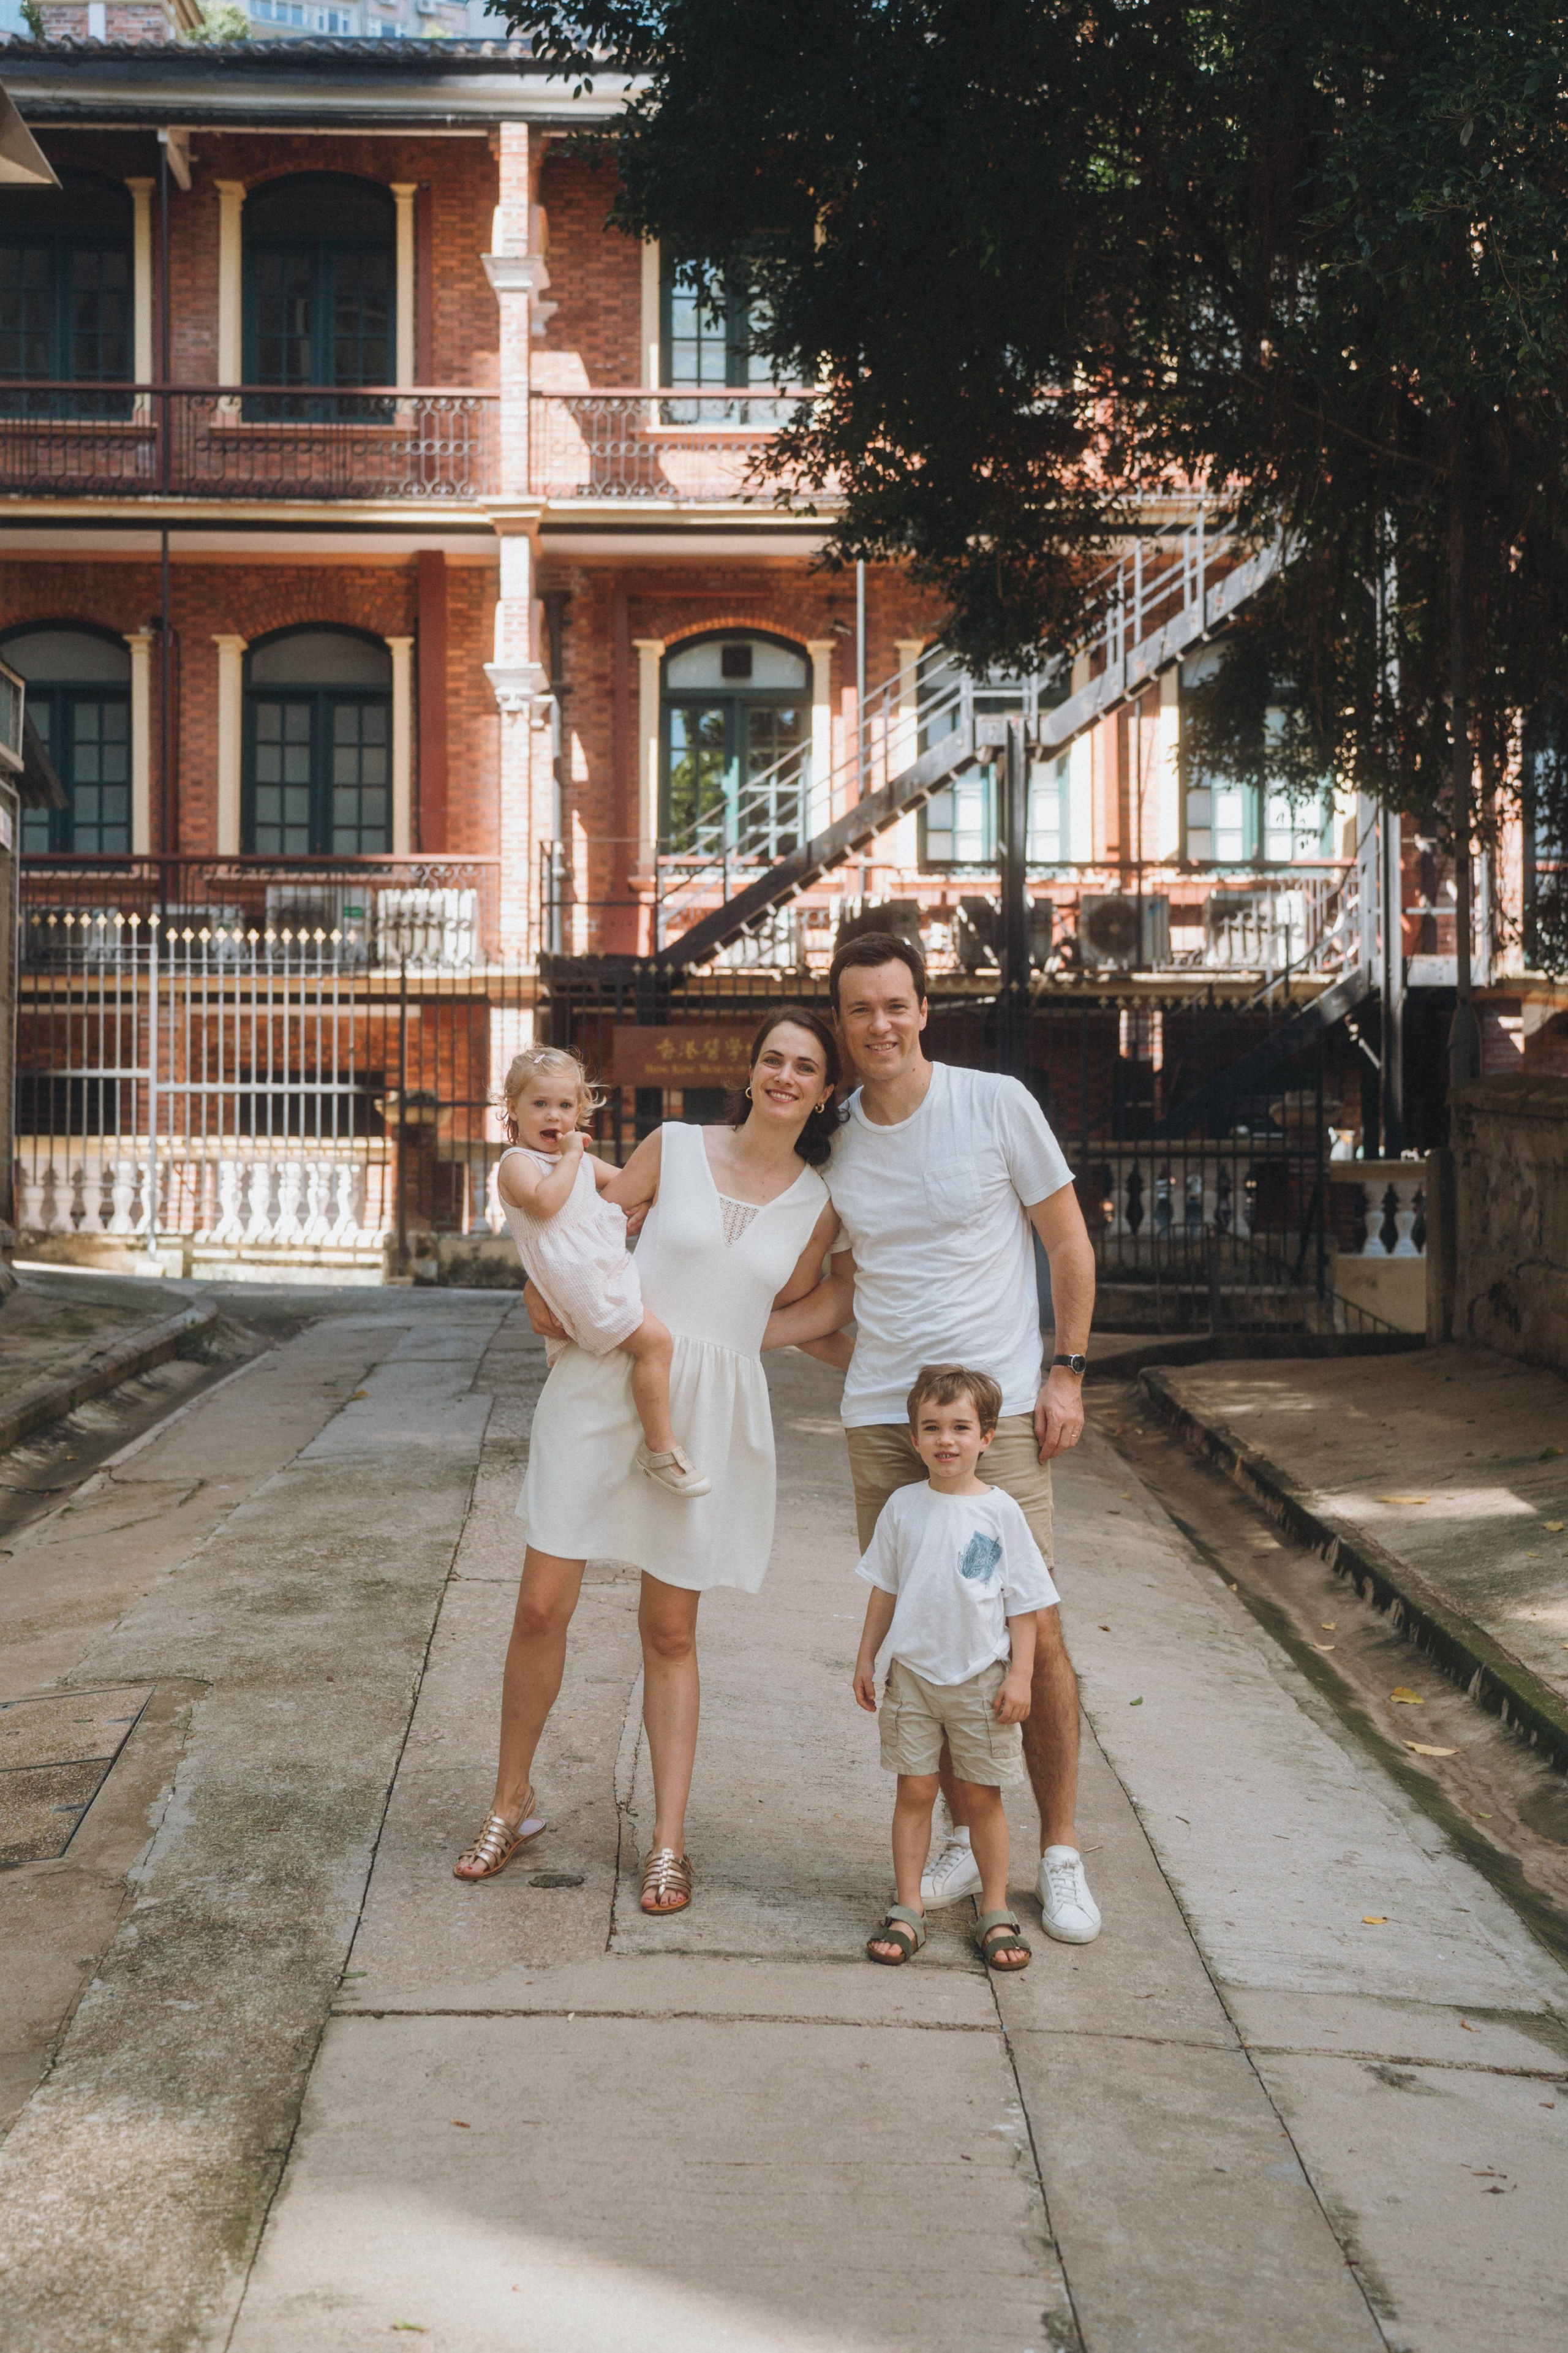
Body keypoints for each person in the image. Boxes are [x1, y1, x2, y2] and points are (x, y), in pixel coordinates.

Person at [456, 1008, 843, 1918]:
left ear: (827, 1091)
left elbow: (808, 1305)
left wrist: (750, 1341)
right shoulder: (672, 1144)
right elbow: (580, 1228)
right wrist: (532, 1291)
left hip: (706, 1412)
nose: (785, 1076)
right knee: (541, 1605)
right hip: (605, 1384)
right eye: (773, 1060)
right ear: (751, 1074)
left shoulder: (818, 1202)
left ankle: (669, 1840)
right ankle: (511, 1803)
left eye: (806, 1067)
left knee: (670, 1631)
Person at [763, 932, 1102, 1943]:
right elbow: (813, 1292)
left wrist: (1068, 1370)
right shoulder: (838, 1144)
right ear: (841, 1020)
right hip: (883, 1426)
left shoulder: (995, 1104)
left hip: (991, 1422)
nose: (880, 1025)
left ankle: (1062, 1852)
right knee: (928, 1640)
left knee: (1030, 1637)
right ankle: (962, 1831)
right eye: (859, 1009)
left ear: (925, 1010)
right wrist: (826, 1353)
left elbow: (1069, 1241)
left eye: (895, 1004)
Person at [854, 1364, 1059, 1971]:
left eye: (961, 1427)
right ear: (914, 1439)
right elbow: (883, 1589)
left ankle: (994, 1907)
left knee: (980, 1795)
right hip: (912, 1676)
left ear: (986, 1437)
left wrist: (1021, 1676)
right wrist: (867, 1655)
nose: (946, 1439)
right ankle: (908, 1905)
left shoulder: (1000, 1514)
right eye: (932, 1427)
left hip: (980, 1679)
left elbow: (1025, 1603)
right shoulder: (902, 1507)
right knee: (914, 1788)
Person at [493, 1044, 710, 1497]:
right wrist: (573, 1156)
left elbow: (633, 1181)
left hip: (601, 1271)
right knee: (656, 1342)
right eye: (540, 1104)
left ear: (580, 1109)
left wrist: (646, 1203)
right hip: (582, 1284)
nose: (554, 1117)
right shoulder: (518, 1164)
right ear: (513, 1107)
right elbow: (546, 1202)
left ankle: (642, 1438)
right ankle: (661, 1446)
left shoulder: (581, 1162)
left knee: (651, 1340)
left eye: (565, 1106)